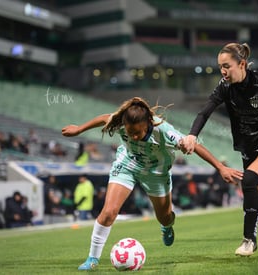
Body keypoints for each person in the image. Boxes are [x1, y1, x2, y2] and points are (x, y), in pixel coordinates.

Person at [62, 97, 242, 270]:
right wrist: (79, 129)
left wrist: (220, 167)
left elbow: (195, 145)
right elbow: (104, 119)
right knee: (109, 212)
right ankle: (92, 259)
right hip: (127, 166)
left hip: (156, 173)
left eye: (137, 133)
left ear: (148, 123)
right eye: (129, 132)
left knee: (164, 217)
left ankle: (167, 226)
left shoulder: (163, 131)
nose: (132, 137)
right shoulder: (121, 120)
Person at [180, 42, 258, 256]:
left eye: (227, 66)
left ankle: (249, 240)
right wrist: (192, 135)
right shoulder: (224, 87)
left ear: (242, 64)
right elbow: (204, 113)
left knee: (249, 179)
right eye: (220, 66)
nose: (223, 71)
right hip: (249, 148)